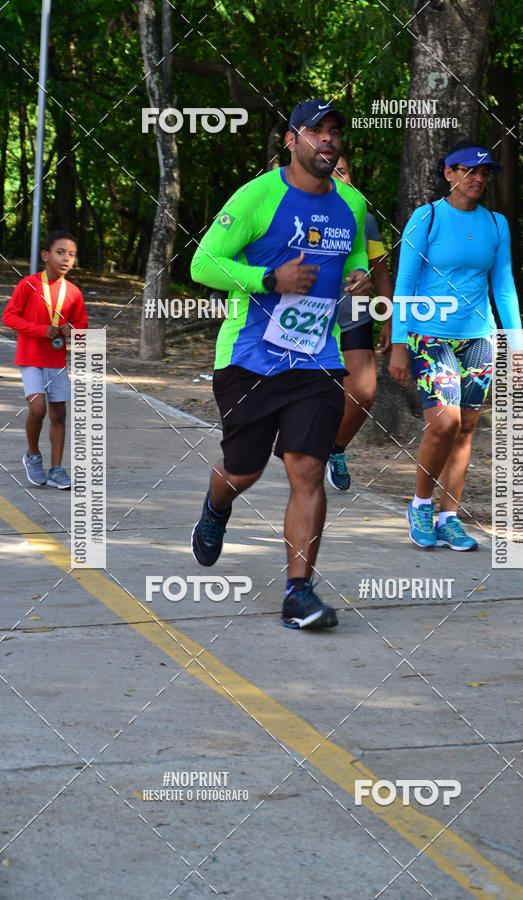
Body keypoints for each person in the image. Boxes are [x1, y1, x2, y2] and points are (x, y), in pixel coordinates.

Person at [190, 99, 370, 630]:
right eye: (317, 131)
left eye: (336, 131)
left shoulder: (351, 205)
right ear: (292, 140)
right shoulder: (258, 195)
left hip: (317, 360)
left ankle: (298, 593)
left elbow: (355, 258)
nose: (328, 140)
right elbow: (204, 262)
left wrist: (358, 279)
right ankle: (217, 504)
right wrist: (270, 279)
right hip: (250, 359)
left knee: (308, 468)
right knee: (243, 470)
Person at [389, 140, 523, 550]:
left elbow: (503, 287)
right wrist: (397, 343)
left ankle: (450, 517)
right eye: (469, 170)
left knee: (465, 427)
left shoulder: (496, 224)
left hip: (479, 338)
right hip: (430, 334)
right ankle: (420, 504)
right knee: (443, 423)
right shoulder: (426, 218)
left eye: (484, 173)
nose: (478, 178)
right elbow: (406, 284)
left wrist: (514, 346)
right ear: (449, 173)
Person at [326, 155, 394, 491]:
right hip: (303, 317)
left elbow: (379, 270)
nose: (338, 177)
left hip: (352, 310)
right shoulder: (290, 209)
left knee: (363, 392)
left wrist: (389, 316)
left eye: (343, 171)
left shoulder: (364, 219)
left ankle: (335, 449)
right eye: (331, 171)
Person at [3, 231, 88, 489]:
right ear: (45, 255)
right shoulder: (28, 285)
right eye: (60, 252)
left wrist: (70, 330)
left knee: (59, 413)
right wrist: (42, 330)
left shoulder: (73, 292)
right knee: (37, 408)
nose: (66, 259)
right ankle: (32, 455)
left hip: (56, 361)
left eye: (71, 254)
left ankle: (57, 470)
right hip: (30, 358)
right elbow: (9, 317)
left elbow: (82, 327)